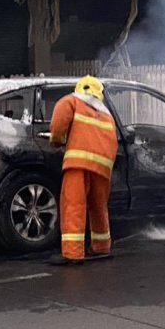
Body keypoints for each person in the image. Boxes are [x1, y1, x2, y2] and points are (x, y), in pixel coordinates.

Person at [48, 76, 117, 266]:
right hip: (102, 168)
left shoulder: (71, 101)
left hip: (78, 162)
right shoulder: (106, 114)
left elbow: (58, 125)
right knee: (98, 207)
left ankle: (72, 253)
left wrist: (57, 141)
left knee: (73, 205)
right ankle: (102, 247)